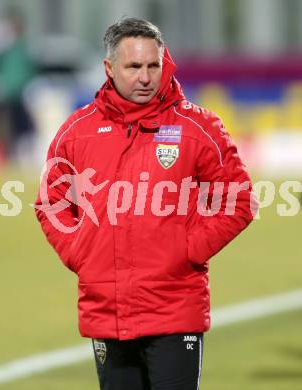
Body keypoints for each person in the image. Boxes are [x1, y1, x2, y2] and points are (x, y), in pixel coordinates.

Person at [35, 17, 257, 390]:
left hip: (174, 307)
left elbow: (239, 200)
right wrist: (80, 252)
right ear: (109, 68)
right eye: (134, 66)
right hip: (107, 309)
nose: (145, 77)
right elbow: (51, 203)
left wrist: (188, 249)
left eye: (153, 65)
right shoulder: (77, 131)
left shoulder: (198, 127)